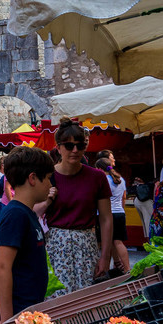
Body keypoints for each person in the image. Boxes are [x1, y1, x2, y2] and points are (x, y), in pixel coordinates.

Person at [0, 147, 54, 324]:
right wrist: (7, 320)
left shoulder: (27, 213)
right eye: (48, 178)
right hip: (15, 314)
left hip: (26, 311)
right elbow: (1, 267)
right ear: (33, 178)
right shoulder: (16, 214)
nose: (50, 184)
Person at [44, 120, 113, 292]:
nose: (75, 150)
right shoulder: (46, 176)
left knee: (87, 300)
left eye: (80, 145)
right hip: (55, 247)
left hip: (87, 245)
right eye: (69, 146)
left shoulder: (97, 177)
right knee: (57, 301)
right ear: (58, 147)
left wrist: (105, 256)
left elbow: (106, 218)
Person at [94, 152, 131, 276]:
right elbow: (124, 197)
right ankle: (127, 268)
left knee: (106, 243)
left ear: (99, 169)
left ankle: (104, 270)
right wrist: (122, 209)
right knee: (118, 242)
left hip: (106, 215)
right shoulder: (121, 179)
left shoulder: (102, 180)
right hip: (120, 213)